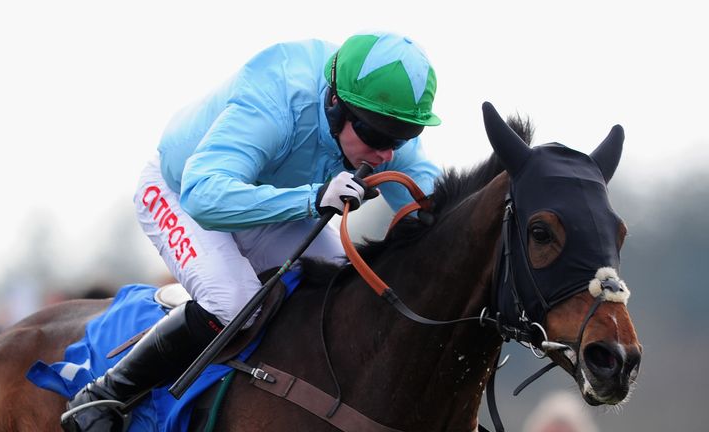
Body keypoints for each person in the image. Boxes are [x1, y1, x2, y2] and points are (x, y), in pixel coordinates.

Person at [62, 31, 442, 431]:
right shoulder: (277, 98)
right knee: (234, 302)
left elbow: (435, 206)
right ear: (334, 103)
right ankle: (105, 394)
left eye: (402, 137)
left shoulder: (383, 116)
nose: (386, 154)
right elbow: (203, 195)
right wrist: (312, 200)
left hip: (269, 205)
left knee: (345, 293)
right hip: (183, 190)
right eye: (378, 136)